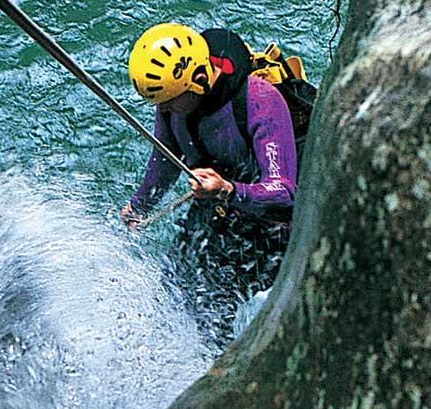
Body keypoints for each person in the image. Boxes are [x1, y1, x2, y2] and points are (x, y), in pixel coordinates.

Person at [120, 23, 299, 349]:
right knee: (174, 285)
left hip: (268, 224)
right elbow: (164, 160)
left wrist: (229, 190)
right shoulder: (174, 102)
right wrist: (140, 206)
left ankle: (223, 373)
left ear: (199, 81)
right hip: (217, 206)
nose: (162, 110)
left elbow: (284, 191)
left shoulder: (260, 101)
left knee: (215, 308)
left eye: (170, 101)